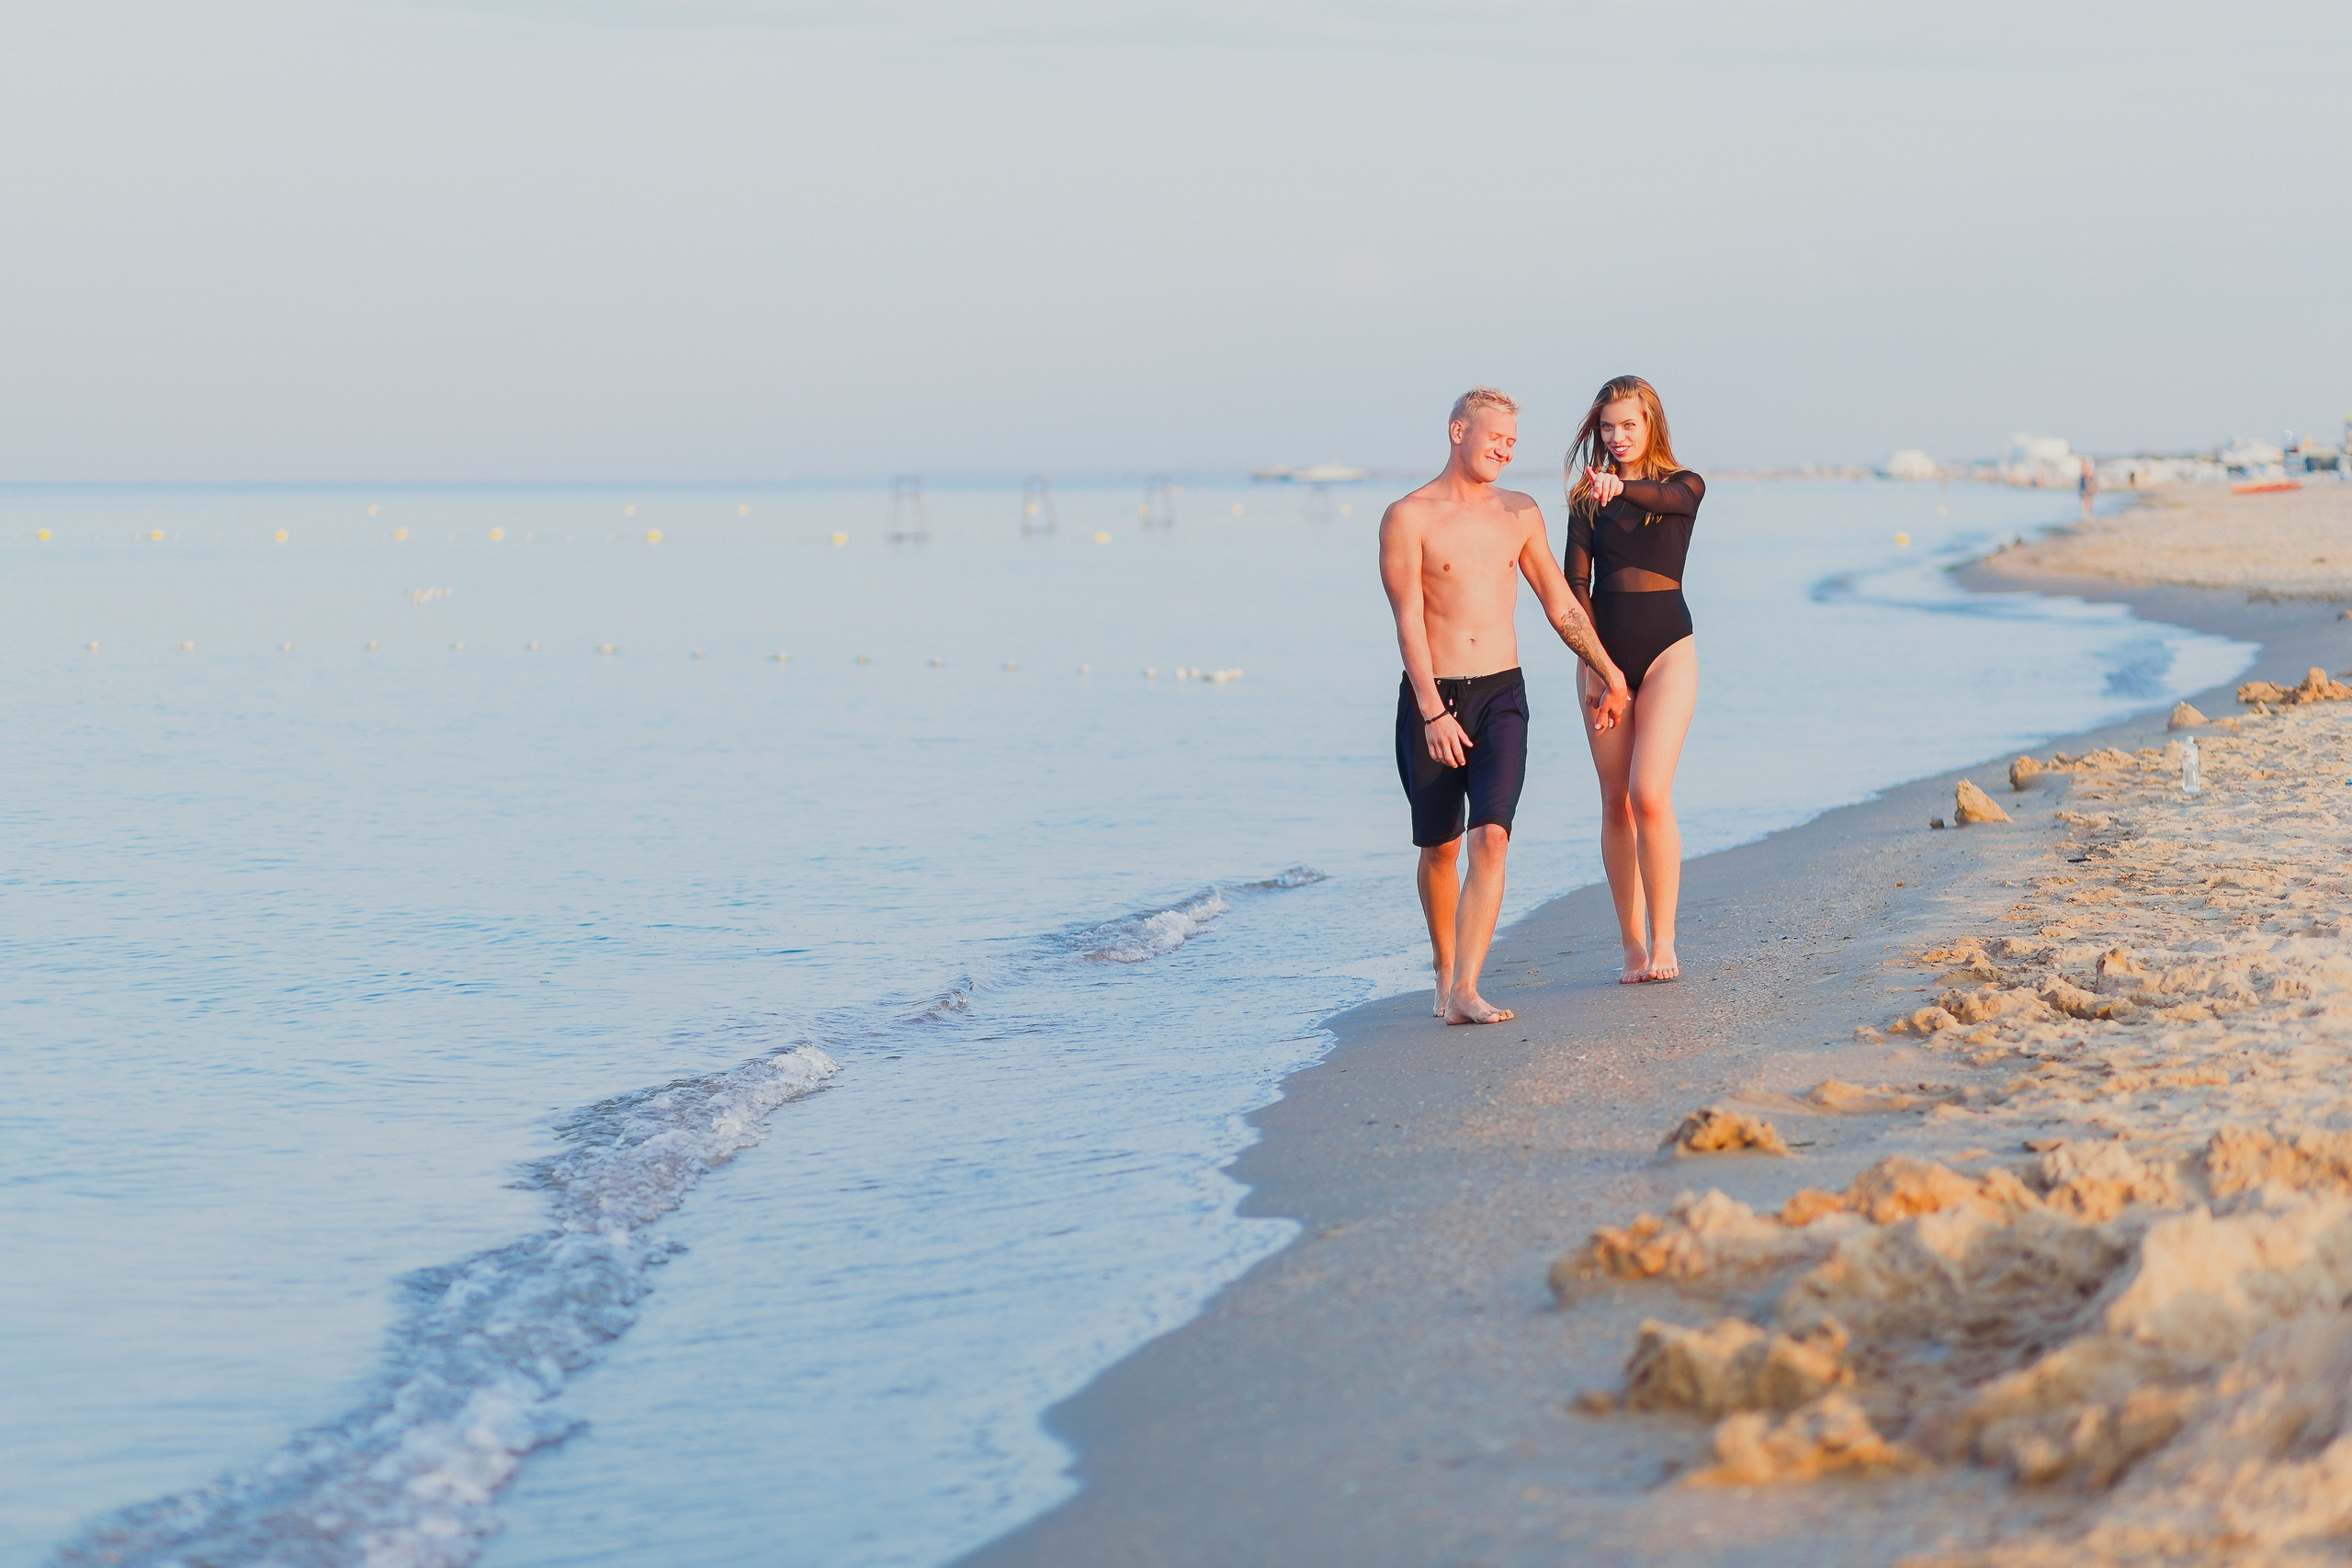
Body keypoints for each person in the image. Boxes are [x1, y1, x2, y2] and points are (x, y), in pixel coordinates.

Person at [1380, 388, 1631, 1025]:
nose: (1504, 450)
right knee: (1439, 848)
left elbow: (1560, 602)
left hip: (1501, 696)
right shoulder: (1408, 517)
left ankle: (1466, 986)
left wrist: (1609, 669)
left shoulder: (1519, 513)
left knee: (1490, 837)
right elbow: (1408, 621)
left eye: (1512, 443)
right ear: (1457, 429)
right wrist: (1433, 712)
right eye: (1494, 437)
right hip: (1433, 697)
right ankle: (1444, 969)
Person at [1562, 375, 1705, 985]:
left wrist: (1623, 486)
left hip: (1669, 652)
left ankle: (1665, 937)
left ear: (1651, 424)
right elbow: (1575, 588)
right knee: (1615, 800)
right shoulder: (1584, 500)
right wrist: (1599, 667)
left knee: (1650, 793)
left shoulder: (1684, 485)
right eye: (1607, 426)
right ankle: (1631, 946)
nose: (1616, 437)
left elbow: (1663, 502)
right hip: (1602, 660)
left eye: (1629, 424)